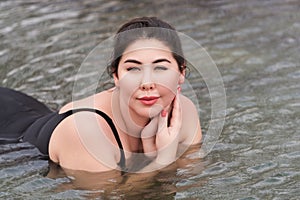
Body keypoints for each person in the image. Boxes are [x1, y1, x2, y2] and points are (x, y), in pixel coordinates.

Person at [0, 17, 202, 173]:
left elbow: (192, 177)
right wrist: (163, 158)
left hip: (36, 114)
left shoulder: (185, 113)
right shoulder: (88, 133)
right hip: (10, 139)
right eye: (133, 69)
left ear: (181, 72)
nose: (147, 83)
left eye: (160, 68)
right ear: (116, 75)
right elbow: (119, 194)